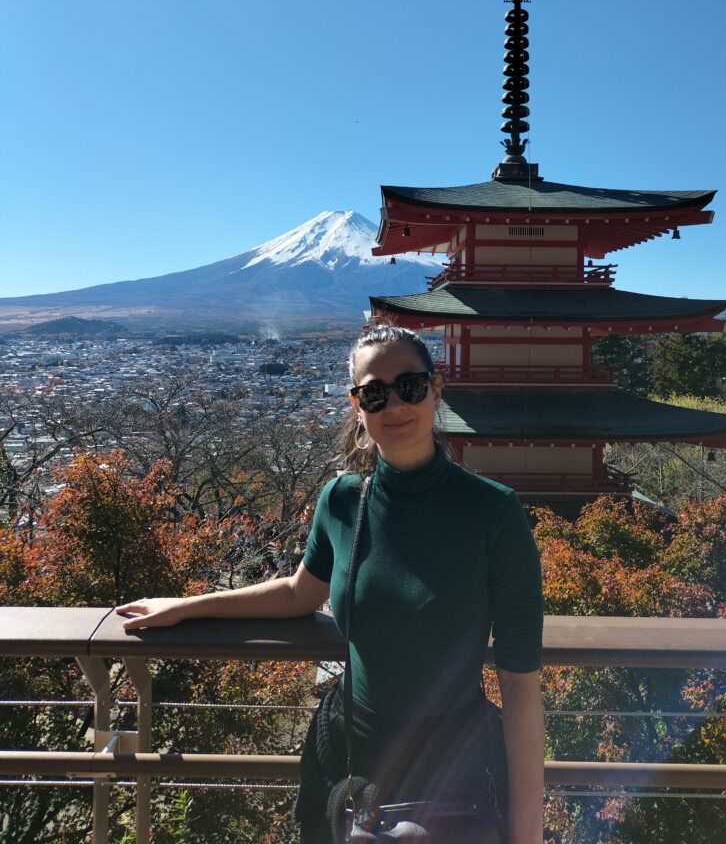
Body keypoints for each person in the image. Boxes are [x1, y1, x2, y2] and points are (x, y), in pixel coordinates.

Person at [117, 325, 544, 844]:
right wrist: (188, 606)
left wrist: (528, 834)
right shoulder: (343, 500)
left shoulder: (493, 512)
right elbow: (301, 592)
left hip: (452, 755)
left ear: (436, 388)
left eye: (409, 385)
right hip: (348, 750)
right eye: (375, 393)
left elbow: (521, 686)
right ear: (357, 406)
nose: (394, 404)